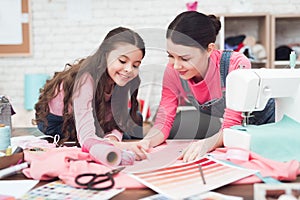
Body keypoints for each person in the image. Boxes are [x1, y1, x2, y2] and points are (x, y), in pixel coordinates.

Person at [129, 11, 275, 162]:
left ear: (209, 49)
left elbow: (232, 123)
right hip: (238, 135)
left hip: (271, 125)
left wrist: (207, 143)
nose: (177, 65)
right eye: (171, 56)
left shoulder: (235, 64)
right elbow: (164, 121)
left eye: (185, 58)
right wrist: (147, 142)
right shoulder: (173, 71)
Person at [34, 27, 146, 163]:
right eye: (122, 61)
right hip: (59, 121)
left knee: (135, 118)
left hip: (94, 113)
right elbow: (87, 137)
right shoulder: (85, 78)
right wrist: (121, 146)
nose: (129, 69)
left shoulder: (119, 78)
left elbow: (118, 118)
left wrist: (113, 139)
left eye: (135, 65)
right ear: (105, 55)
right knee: (97, 141)